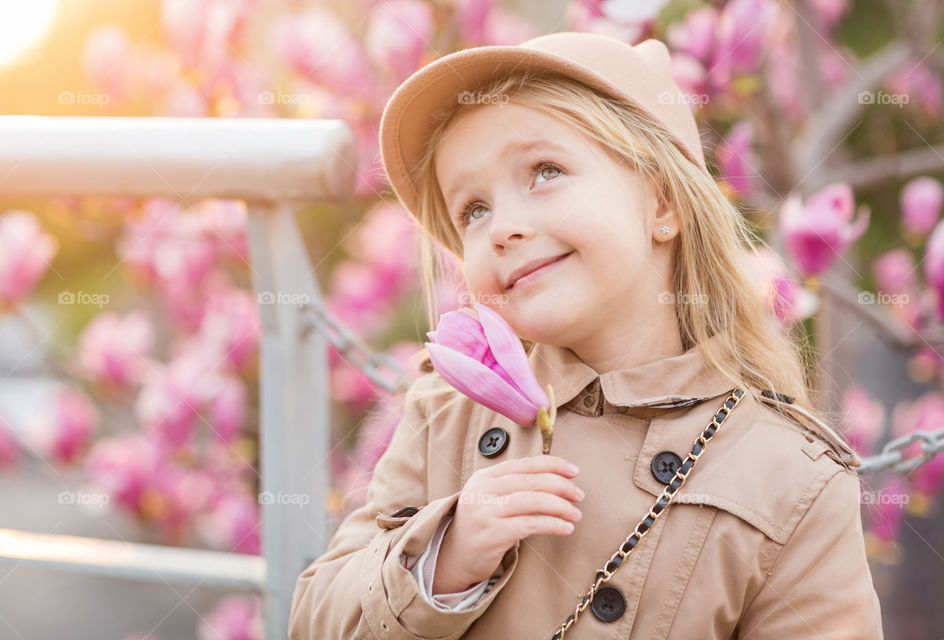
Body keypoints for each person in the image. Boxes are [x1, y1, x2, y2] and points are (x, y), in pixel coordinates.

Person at [288, 31, 884, 639]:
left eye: (544, 171)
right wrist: (447, 554)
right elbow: (315, 621)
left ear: (662, 203)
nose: (502, 229)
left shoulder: (793, 480)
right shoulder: (446, 415)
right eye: (472, 210)